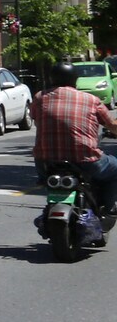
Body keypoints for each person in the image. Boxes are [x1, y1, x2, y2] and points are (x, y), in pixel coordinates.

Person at [32, 61, 117, 214]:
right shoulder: (91, 100)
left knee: (46, 179)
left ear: (52, 78)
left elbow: (38, 122)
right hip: (85, 161)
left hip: (45, 163)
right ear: (75, 79)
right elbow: (111, 125)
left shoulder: (39, 98)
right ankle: (108, 207)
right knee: (114, 168)